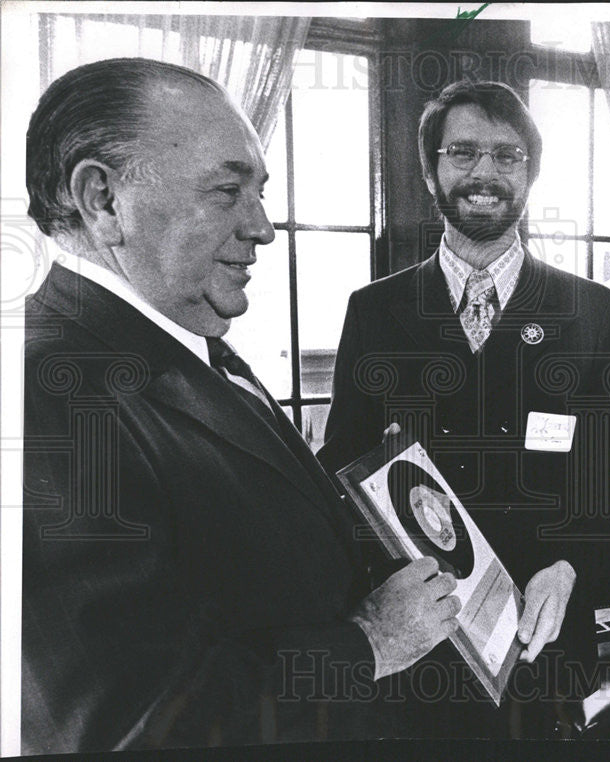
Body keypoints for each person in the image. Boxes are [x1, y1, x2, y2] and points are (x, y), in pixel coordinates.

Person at [21, 58, 461, 753]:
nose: (262, 228)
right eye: (227, 190)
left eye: (258, 192)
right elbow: (128, 727)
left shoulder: (187, 345)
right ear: (102, 200)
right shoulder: (45, 398)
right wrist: (369, 643)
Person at [317, 80, 610, 737]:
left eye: (507, 155)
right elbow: (343, 475)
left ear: (532, 173)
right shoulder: (376, 312)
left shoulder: (591, 312)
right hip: (416, 651)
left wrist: (573, 566)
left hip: (543, 646)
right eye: (462, 153)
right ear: (430, 170)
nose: (485, 173)